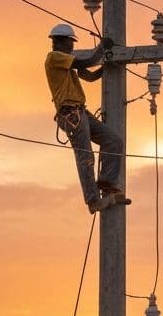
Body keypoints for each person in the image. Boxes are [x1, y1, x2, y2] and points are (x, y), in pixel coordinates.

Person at [45, 23, 129, 214]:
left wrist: (106, 68)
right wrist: (102, 47)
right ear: (60, 42)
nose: (72, 46)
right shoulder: (54, 57)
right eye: (70, 42)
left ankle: (107, 184)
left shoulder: (66, 62)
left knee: (113, 141)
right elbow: (87, 61)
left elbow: (89, 76)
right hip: (70, 114)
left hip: (81, 112)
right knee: (86, 157)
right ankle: (93, 200)